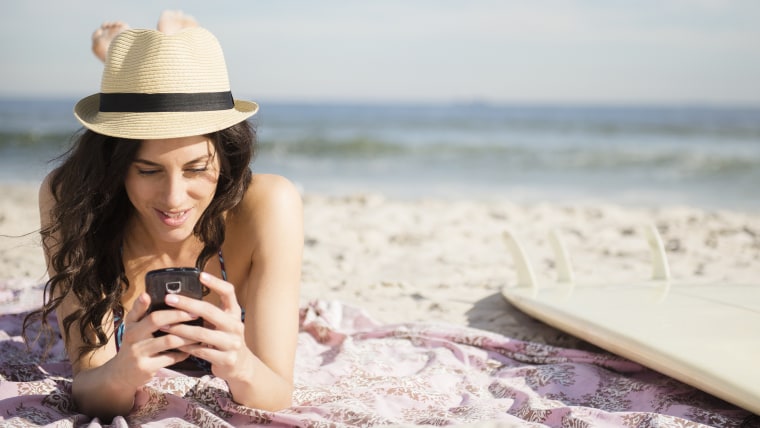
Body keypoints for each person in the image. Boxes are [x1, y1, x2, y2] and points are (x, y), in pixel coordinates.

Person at [23, 19, 303, 421]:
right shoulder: (75, 203)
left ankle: (142, 50)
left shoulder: (267, 204)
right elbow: (92, 389)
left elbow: (276, 390)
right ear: (115, 168)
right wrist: (121, 374)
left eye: (196, 169)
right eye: (148, 170)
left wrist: (240, 363)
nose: (174, 200)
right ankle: (126, 52)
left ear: (225, 159)